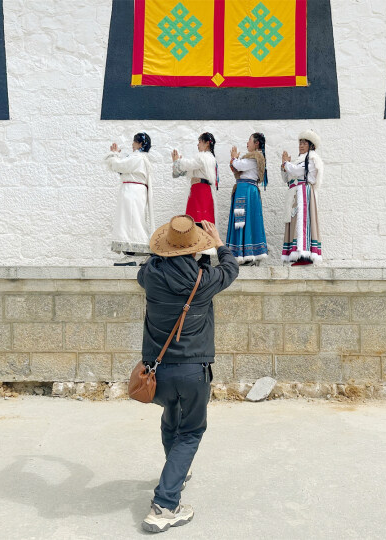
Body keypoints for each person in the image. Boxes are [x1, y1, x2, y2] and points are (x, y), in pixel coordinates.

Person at [137, 215, 239, 533]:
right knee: (191, 432)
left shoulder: (149, 275)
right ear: (195, 249)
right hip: (193, 371)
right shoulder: (204, 281)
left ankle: (176, 474)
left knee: (171, 420)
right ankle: (165, 505)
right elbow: (231, 268)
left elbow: (152, 262)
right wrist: (217, 243)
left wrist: (167, 249)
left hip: (158, 373)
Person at [104, 133, 155, 266]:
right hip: (134, 192)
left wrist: (114, 155)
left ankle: (136, 253)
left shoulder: (138, 157)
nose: (132, 144)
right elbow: (124, 169)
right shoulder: (141, 159)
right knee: (132, 221)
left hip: (132, 192)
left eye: (134, 142)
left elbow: (118, 166)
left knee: (131, 222)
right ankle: (133, 253)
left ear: (140, 144)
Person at [280, 130, 324, 266]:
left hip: (304, 193)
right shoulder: (298, 161)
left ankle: (305, 254)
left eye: (304, 143)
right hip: (296, 193)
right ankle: (298, 254)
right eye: (300, 143)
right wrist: (284, 166)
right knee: (295, 222)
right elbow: (288, 178)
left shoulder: (312, 159)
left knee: (303, 222)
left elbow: (298, 171)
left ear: (311, 145)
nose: (301, 145)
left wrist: (286, 164)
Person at [225, 133, 269, 265]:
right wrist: (235, 161)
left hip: (247, 192)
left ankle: (249, 254)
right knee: (243, 221)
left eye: (249, 140)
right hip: (244, 191)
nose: (247, 143)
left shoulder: (256, 157)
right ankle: (244, 253)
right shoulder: (252, 158)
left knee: (246, 221)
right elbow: (237, 168)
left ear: (256, 143)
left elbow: (239, 166)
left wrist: (234, 158)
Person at [171, 133, 218, 226]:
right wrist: (178, 163)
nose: (197, 144)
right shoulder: (207, 158)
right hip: (200, 191)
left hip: (200, 192)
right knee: (199, 219)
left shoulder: (204, 157)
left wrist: (178, 161)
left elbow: (190, 164)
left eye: (200, 142)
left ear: (207, 143)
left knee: (199, 220)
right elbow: (188, 169)